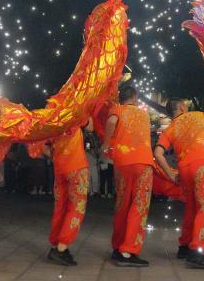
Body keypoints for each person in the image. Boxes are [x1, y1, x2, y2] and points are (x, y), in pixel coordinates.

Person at [154, 98, 204, 270]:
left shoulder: (170, 128)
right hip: (202, 165)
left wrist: (171, 175)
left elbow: (158, 154)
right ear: (181, 107)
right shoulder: (199, 116)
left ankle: (185, 246)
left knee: (192, 208)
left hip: (184, 169)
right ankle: (197, 250)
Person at [102, 85, 154, 267]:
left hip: (122, 162)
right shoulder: (143, 113)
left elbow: (110, 123)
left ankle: (117, 247)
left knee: (122, 203)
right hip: (143, 162)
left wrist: (106, 145)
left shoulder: (116, 109)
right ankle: (128, 251)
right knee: (138, 205)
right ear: (135, 97)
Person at [46, 118, 92, 265]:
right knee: (76, 208)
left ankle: (56, 245)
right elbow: (90, 127)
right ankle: (61, 248)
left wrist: (55, 155)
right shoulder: (75, 113)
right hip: (76, 166)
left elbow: (43, 147)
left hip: (60, 168)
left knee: (61, 207)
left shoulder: (51, 119)